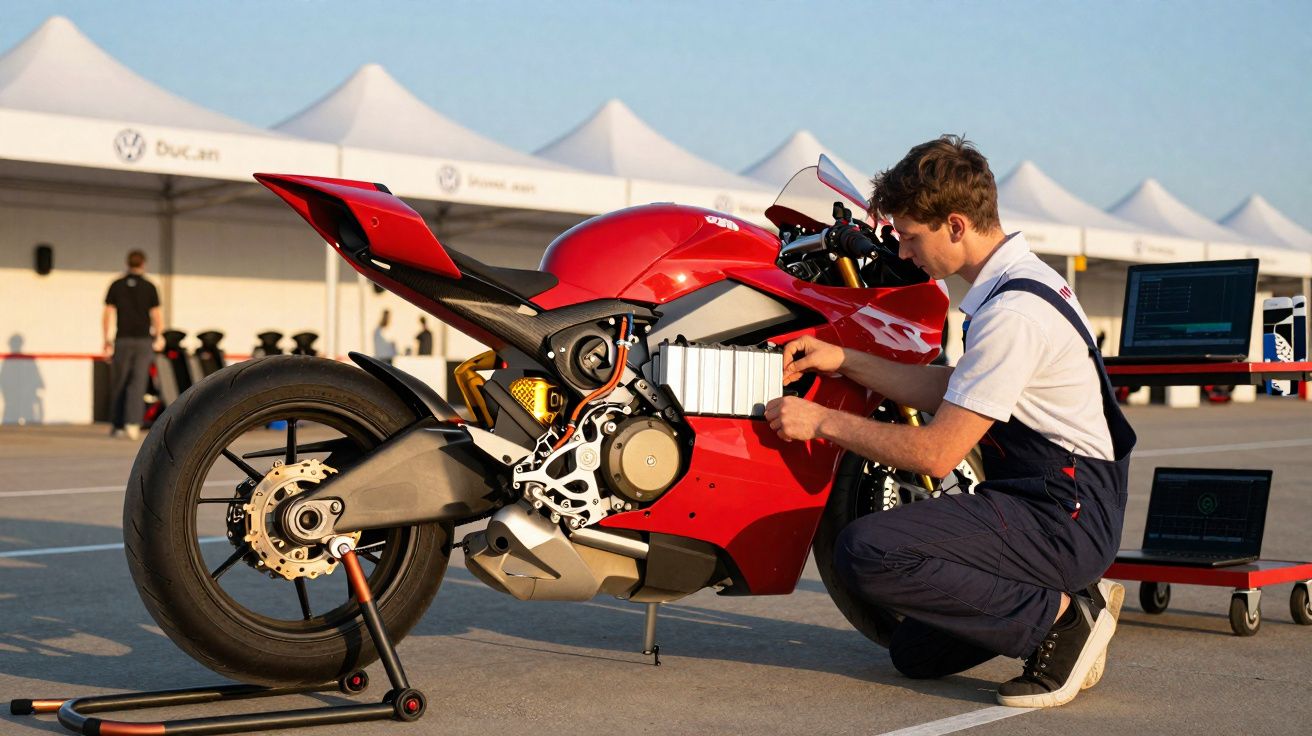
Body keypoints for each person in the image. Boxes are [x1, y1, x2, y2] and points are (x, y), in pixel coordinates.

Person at [764, 136, 1135, 708]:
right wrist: (845, 360)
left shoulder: (1015, 313)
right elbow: (956, 390)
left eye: (912, 236)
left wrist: (819, 422)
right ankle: (1074, 593)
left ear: (956, 225)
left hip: (1062, 512)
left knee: (868, 552)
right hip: (1050, 500)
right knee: (913, 654)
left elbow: (937, 454)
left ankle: (1063, 624)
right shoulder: (1016, 286)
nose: (906, 253)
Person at [103, 249, 164, 439]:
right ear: (143, 264)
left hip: (122, 339)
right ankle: (133, 424)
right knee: (138, 382)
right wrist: (159, 336)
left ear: (127, 263)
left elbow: (108, 313)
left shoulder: (117, 285)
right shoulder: (149, 286)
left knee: (119, 381)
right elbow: (156, 314)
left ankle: (117, 424)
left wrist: (106, 339)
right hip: (143, 340)